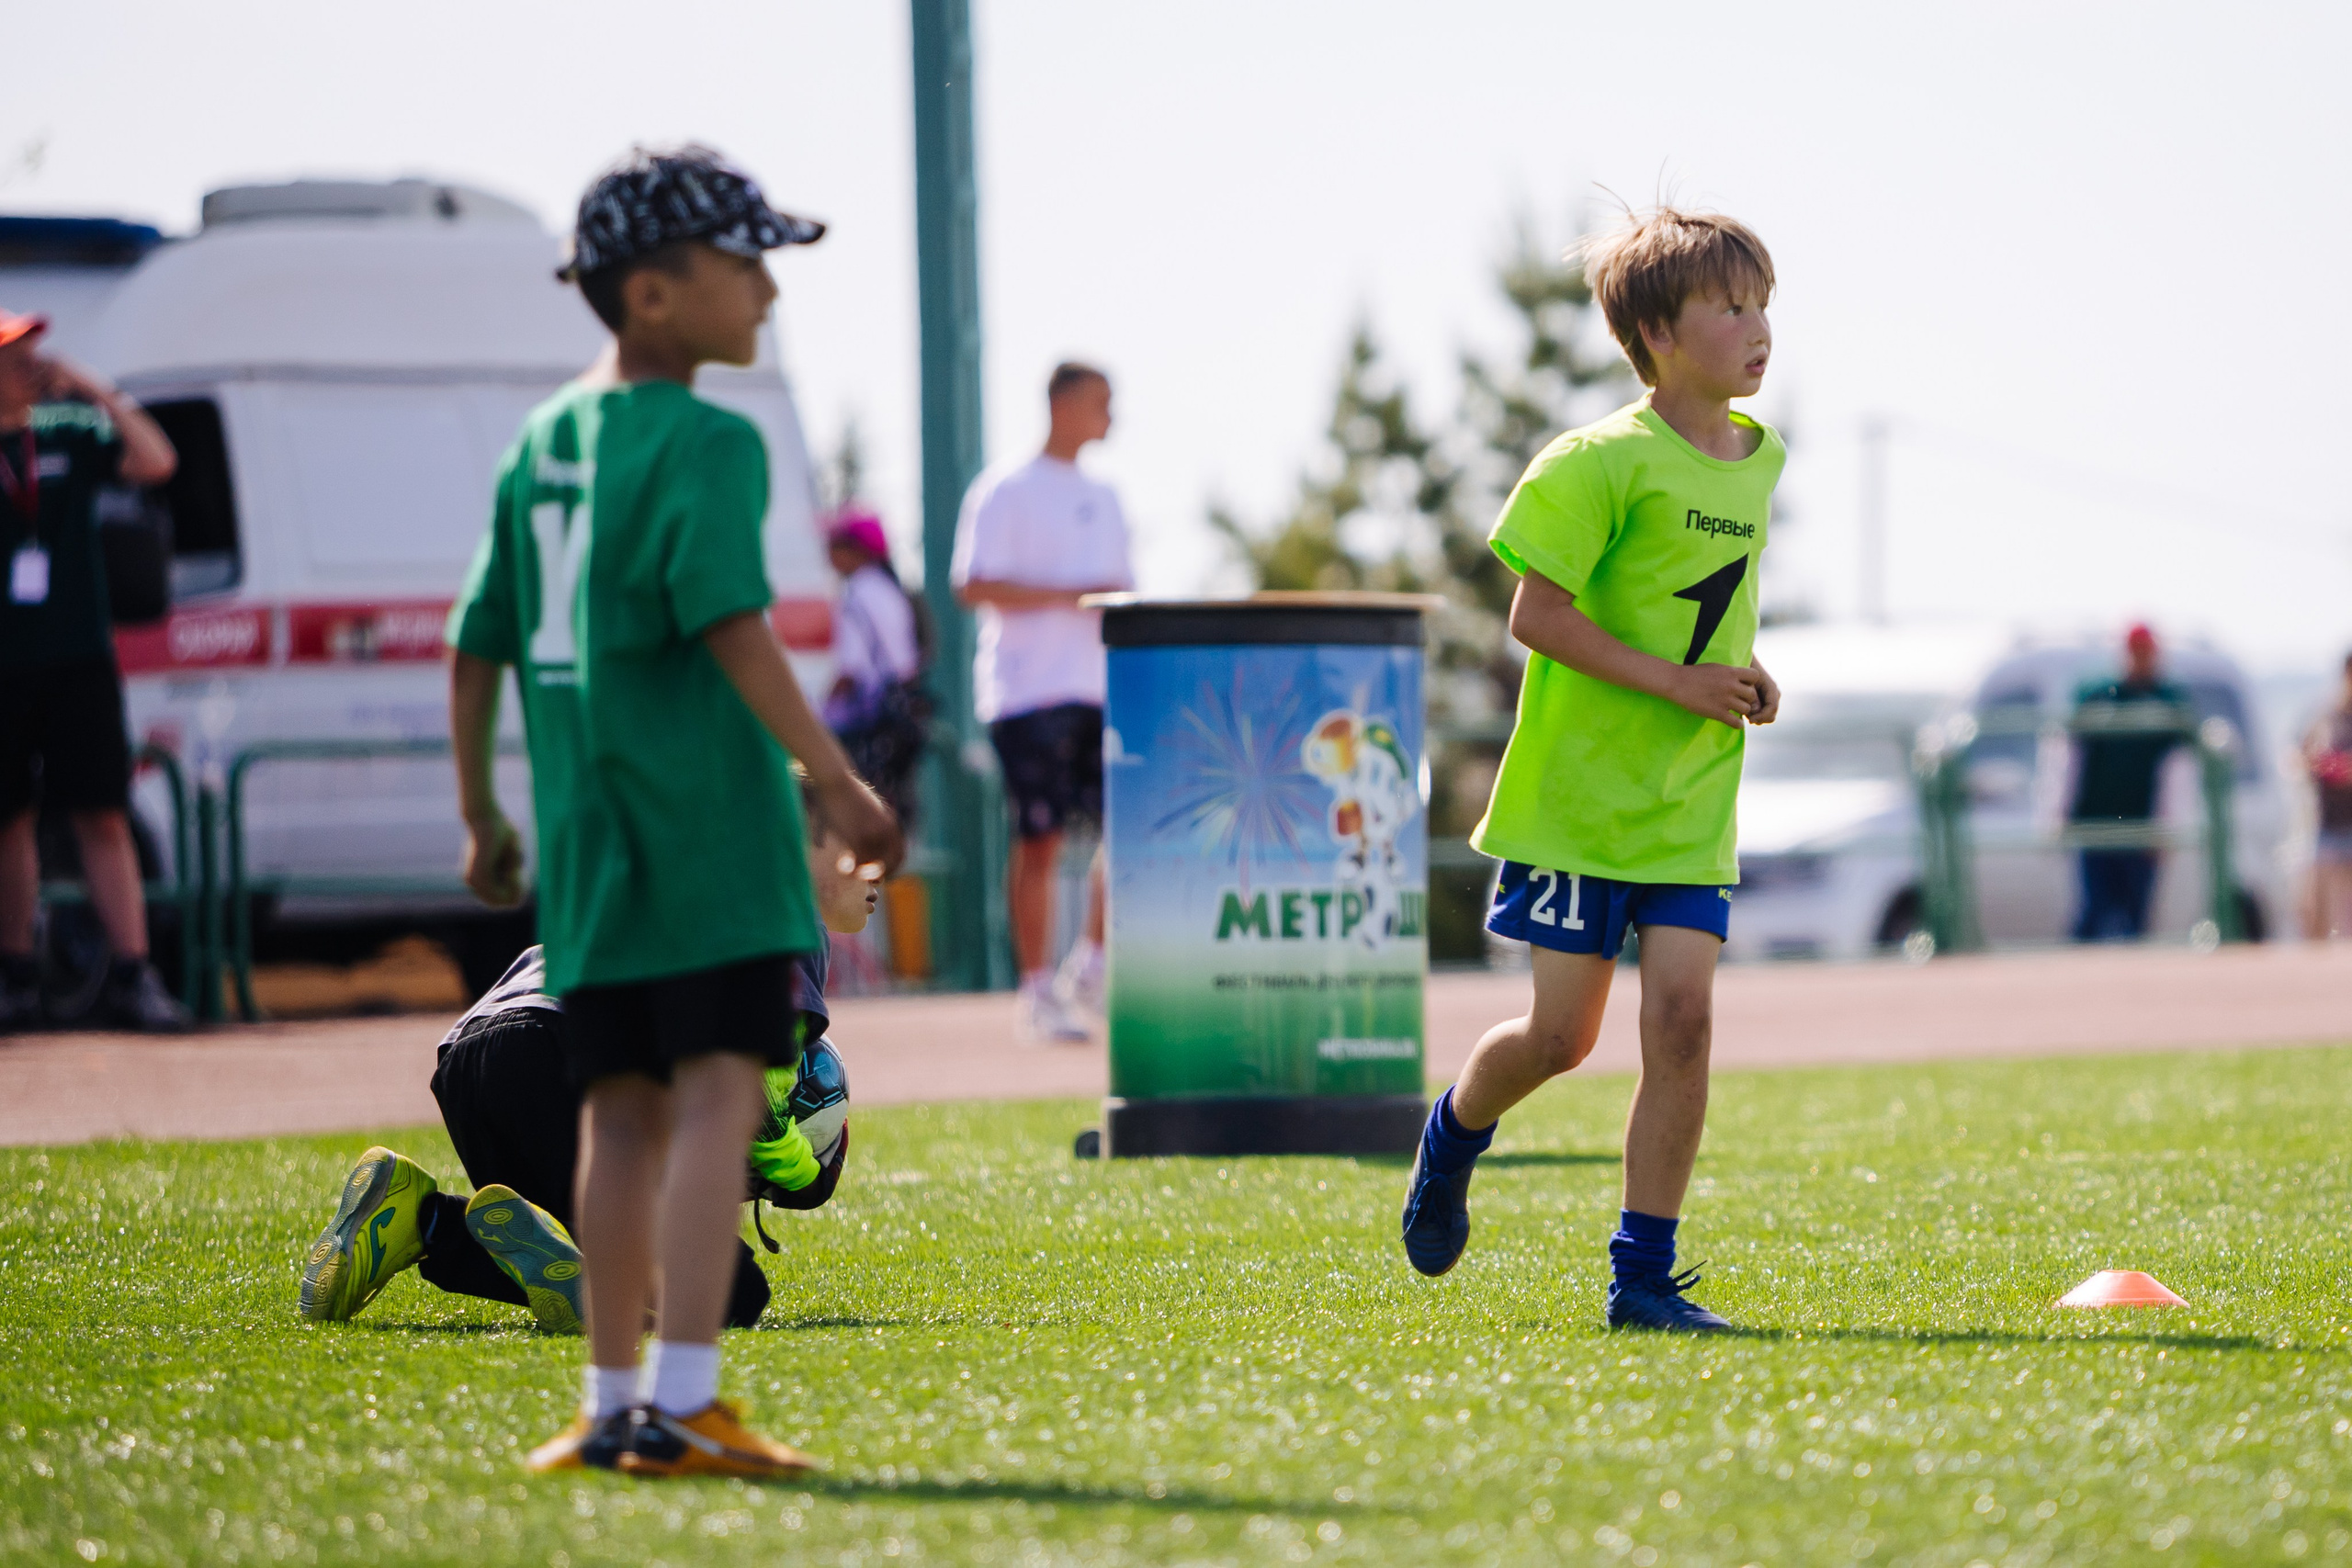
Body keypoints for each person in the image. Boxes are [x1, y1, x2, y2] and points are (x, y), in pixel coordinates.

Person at [443, 145, 900, 1479]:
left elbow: (476, 640)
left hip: (591, 850)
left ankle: (606, 1407)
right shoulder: (707, 440)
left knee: (619, 1115)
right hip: (709, 837)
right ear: (651, 292)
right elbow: (730, 627)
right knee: (711, 1102)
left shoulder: (543, 443)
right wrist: (834, 777)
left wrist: (479, 812)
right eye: (743, 262)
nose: (767, 289)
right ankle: (689, 1402)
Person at [1397, 207, 1785, 1334]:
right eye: (1730, 307)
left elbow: (1703, 611)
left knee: (1682, 1023)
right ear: (1656, 335)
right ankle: (1453, 1133)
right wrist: (1675, 684)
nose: (1758, 328)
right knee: (1559, 1041)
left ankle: (1641, 1281)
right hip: (1580, 808)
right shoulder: (1594, 461)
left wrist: (1744, 675)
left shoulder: (1760, 458)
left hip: (1689, 804)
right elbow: (1536, 617)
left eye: (1763, 304)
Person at [294, 829, 879, 1334]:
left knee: (576, 1240)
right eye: (861, 852)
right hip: (563, 1052)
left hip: (472, 1058)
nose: (881, 872)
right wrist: (803, 1178)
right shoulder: (786, 915)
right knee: (732, 1292)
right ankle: (438, 1229)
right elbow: (762, 1089)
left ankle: (417, 1218)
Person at [0, 309, 191, 1033]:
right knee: (8, 819)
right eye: (14, 354)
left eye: (33, 350)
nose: (31, 363)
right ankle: (16, 974)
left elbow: (157, 461)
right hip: (6, 664)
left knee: (102, 812)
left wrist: (94, 388)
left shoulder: (67, 433)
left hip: (78, 658)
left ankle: (134, 974)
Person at [951, 363, 1134, 1042]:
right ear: (1062, 403)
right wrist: (1068, 594)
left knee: (1128, 829)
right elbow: (972, 584)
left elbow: (1121, 589)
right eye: (1100, 402)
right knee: (1040, 839)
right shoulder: (1004, 488)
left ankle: (1091, 963)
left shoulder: (1107, 495)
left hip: (1098, 687)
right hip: (1026, 692)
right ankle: (1035, 988)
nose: (1110, 416)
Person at [2067, 625, 2187, 942]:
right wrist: (2060, 812)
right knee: (2093, 915)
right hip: (2097, 825)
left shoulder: (2169, 699)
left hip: (2143, 829)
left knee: (2136, 920)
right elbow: (2069, 757)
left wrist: (2166, 827)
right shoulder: (2098, 694)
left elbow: (2178, 771)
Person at [823, 507, 928, 829]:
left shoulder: (856, 593)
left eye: (834, 544)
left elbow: (850, 672)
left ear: (856, 550)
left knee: (856, 817)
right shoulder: (893, 590)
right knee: (895, 815)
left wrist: (820, 714)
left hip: (869, 725)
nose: (828, 553)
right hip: (901, 716)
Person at [2300, 652, 2352, 939]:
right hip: (2328, 827)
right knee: (2315, 914)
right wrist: (2317, 763)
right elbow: (2298, 755)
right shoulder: (2325, 716)